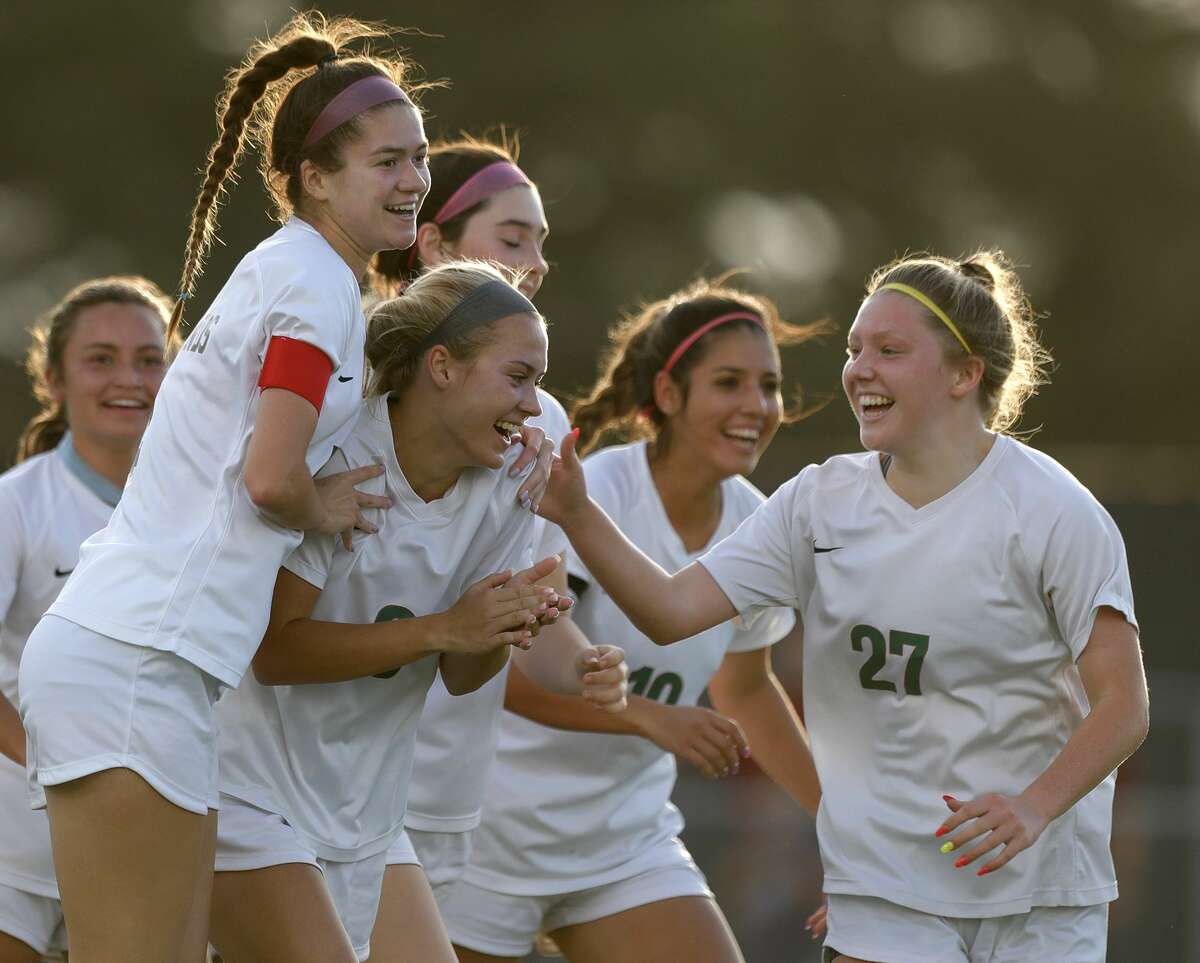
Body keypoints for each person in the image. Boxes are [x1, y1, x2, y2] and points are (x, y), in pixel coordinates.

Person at [537, 251, 1149, 963]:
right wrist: (577, 513)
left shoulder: (1053, 510)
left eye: (890, 350)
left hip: (1043, 896)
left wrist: (1033, 804)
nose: (860, 368)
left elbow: (1124, 704)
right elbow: (671, 609)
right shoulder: (817, 503)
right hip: (885, 890)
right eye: (855, 348)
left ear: (964, 373)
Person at [14, 14, 443, 962]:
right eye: (387, 161)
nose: (415, 179)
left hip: (145, 665)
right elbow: (269, 476)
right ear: (315, 180)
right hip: (134, 663)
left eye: (418, 158)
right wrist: (322, 504)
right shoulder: (314, 286)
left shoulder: (302, 274)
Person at [206, 261, 627, 963]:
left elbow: (464, 675)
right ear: (442, 366)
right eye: (519, 376)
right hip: (247, 790)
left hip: (367, 809)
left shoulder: (506, 481)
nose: (533, 404)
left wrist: (503, 623)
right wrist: (444, 627)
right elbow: (275, 652)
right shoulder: (341, 449)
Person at [443, 279, 824, 963]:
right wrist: (651, 715)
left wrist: (843, 827)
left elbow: (747, 686)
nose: (756, 406)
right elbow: (508, 679)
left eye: (768, 386)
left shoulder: (755, 519)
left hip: (624, 843)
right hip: (491, 835)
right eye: (729, 382)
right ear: (670, 395)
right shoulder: (595, 489)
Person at [366, 137, 579, 944]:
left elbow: (491, 622)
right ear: (432, 244)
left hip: (446, 787)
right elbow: (277, 644)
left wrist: (562, 641)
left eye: (542, 242)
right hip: (300, 783)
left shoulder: (533, 423)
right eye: (514, 236)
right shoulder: (337, 406)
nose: (538, 260)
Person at [0, 277, 169, 963]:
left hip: (152, 847)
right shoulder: (16, 505)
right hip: (17, 842)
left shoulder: (205, 508)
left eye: (150, 358)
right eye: (100, 358)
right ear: (53, 379)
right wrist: (49, 771)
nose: (128, 378)